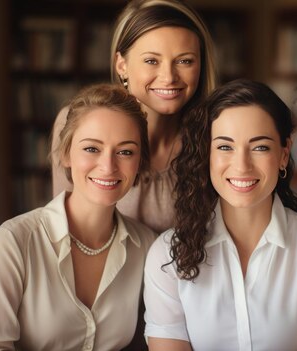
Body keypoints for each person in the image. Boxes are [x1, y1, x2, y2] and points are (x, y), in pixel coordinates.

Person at [143, 79, 297, 351]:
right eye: (225, 147)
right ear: (206, 154)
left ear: (284, 153)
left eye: (259, 147)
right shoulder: (166, 255)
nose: (242, 165)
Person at [0, 84, 156, 350]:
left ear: (139, 161)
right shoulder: (14, 242)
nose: (108, 166)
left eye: (125, 152)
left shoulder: (146, 246)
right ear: (65, 154)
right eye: (91, 149)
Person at [51, 0, 217, 233]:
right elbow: (63, 228)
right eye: (151, 61)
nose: (169, 77)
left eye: (184, 61)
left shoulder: (217, 136)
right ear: (122, 65)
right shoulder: (78, 123)